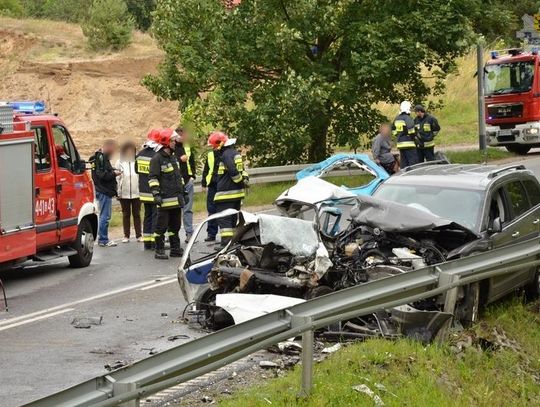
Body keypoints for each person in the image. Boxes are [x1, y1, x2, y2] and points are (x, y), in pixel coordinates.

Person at [149, 129, 185, 260]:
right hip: (164, 200)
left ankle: (175, 249)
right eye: (172, 140)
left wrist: (183, 191)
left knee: (175, 226)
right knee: (161, 226)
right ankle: (159, 249)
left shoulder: (173, 158)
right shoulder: (157, 159)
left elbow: (178, 177)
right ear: (165, 142)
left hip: (176, 199)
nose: (175, 142)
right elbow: (153, 178)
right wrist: (156, 194)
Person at [208, 131, 248, 247]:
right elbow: (242, 171)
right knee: (232, 221)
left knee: (225, 221)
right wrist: (242, 182)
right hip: (236, 194)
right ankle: (233, 244)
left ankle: (226, 245)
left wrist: (238, 181)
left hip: (226, 195)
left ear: (220, 144)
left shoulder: (225, 155)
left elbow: (233, 171)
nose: (214, 149)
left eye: (214, 146)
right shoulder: (235, 153)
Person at [90, 139, 119, 247]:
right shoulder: (101, 158)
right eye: (113, 149)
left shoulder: (100, 158)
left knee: (103, 215)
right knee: (105, 216)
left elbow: (103, 171)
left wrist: (112, 170)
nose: (114, 152)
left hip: (101, 189)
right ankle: (103, 239)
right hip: (103, 190)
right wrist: (114, 174)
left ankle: (103, 238)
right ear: (108, 147)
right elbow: (102, 175)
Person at [136, 129, 161, 250]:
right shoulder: (157, 155)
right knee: (156, 216)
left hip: (143, 191)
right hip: (153, 190)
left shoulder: (140, 154)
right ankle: (154, 242)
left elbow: (137, 170)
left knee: (147, 216)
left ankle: (147, 242)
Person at [116, 141, 142, 243]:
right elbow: (117, 178)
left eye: (131, 151)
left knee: (137, 214)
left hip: (137, 192)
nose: (129, 153)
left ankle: (139, 235)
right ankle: (126, 236)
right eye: (127, 151)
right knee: (126, 214)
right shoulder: (119, 162)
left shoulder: (137, 161)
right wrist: (118, 191)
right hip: (124, 193)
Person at [174, 128, 196, 243]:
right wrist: (179, 159)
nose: (185, 137)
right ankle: (173, 235)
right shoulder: (171, 147)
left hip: (187, 181)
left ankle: (189, 233)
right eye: (182, 136)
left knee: (188, 209)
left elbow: (192, 162)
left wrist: (193, 176)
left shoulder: (187, 147)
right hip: (175, 184)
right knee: (174, 210)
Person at [201, 144, 220, 242]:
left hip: (223, 185)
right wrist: (204, 183)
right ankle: (211, 234)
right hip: (212, 185)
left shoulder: (225, 154)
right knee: (212, 210)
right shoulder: (211, 155)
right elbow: (206, 169)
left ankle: (227, 235)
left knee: (223, 210)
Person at [392, 101, 418, 169]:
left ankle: (404, 177)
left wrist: (398, 136)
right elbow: (411, 129)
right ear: (408, 108)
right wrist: (414, 137)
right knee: (413, 163)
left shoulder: (396, 118)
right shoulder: (408, 118)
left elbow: (393, 130)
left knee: (404, 162)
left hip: (400, 144)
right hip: (409, 144)